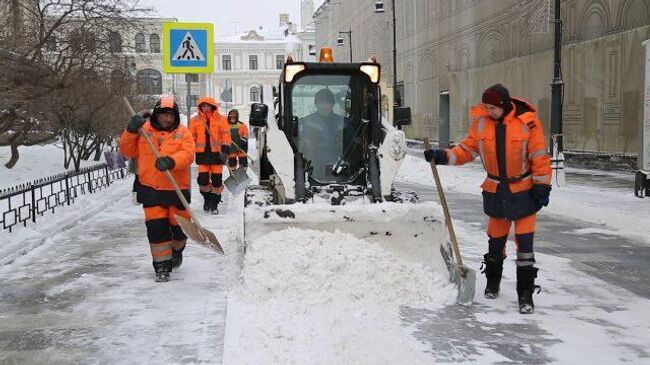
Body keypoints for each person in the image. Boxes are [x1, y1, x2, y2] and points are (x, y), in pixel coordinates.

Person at [424, 84, 552, 314]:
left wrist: (542, 187)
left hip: (523, 190)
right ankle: (493, 284)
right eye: (486, 106)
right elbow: (466, 151)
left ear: (503, 105)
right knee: (495, 242)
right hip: (496, 191)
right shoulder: (482, 123)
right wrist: (441, 156)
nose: (488, 111)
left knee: (525, 246)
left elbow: (539, 157)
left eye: (492, 107)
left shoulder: (527, 122)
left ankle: (525, 295)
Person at [119, 96, 195, 282]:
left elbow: (188, 154)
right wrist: (130, 130)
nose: (167, 119)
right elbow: (126, 151)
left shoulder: (183, 132)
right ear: (156, 115)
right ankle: (161, 267)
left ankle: (176, 250)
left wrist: (172, 161)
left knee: (180, 230)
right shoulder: (143, 131)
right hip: (150, 188)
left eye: (170, 115)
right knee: (157, 230)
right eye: (163, 115)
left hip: (177, 189)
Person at [299, 89, 356, 179]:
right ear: (316, 104)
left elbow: (352, 146)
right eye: (321, 103)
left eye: (327, 102)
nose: (324, 106)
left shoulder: (344, 123)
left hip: (339, 165)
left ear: (332, 104)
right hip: (312, 166)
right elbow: (300, 145)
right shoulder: (305, 122)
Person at [189, 97, 232, 214]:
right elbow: (191, 137)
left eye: (208, 105)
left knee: (217, 181)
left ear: (213, 106)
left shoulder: (221, 119)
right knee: (203, 181)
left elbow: (226, 137)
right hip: (202, 155)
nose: (206, 108)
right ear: (200, 107)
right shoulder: (195, 120)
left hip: (217, 155)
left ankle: (214, 204)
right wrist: (188, 150)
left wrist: (225, 151)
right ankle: (207, 199)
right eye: (203, 106)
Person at [226, 109, 249, 173]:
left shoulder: (242, 125)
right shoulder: (226, 126)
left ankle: (243, 175)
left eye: (234, 116)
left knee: (243, 163)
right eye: (231, 116)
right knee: (232, 163)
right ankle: (233, 176)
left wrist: (242, 142)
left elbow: (245, 134)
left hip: (241, 147)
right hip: (231, 148)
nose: (232, 117)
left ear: (237, 117)